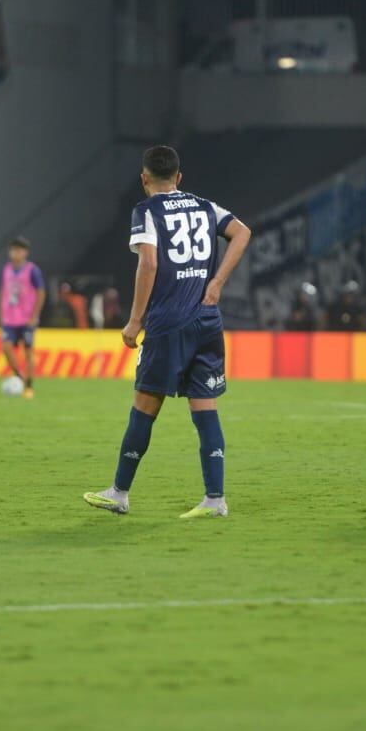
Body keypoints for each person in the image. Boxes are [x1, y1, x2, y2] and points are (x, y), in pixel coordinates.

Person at [84, 145, 252, 520]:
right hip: (208, 321)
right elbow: (242, 233)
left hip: (167, 324)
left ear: (144, 179)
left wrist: (134, 320)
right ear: (179, 178)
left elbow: (148, 262)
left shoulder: (146, 211)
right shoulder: (205, 206)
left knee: (144, 409)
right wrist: (218, 282)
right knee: (205, 408)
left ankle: (120, 493)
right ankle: (215, 499)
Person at [0, 237, 46, 399]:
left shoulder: (32, 270)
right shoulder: (6, 269)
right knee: (6, 347)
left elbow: (41, 292)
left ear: (25, 252)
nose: (15, 253)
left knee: (28, 352)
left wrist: (35, 316)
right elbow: (3, 292)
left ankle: (29, 386)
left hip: (26, 319)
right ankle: (18, 375)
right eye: (13, 250)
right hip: (10, 319)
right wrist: (1, 314)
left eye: (19, 250)